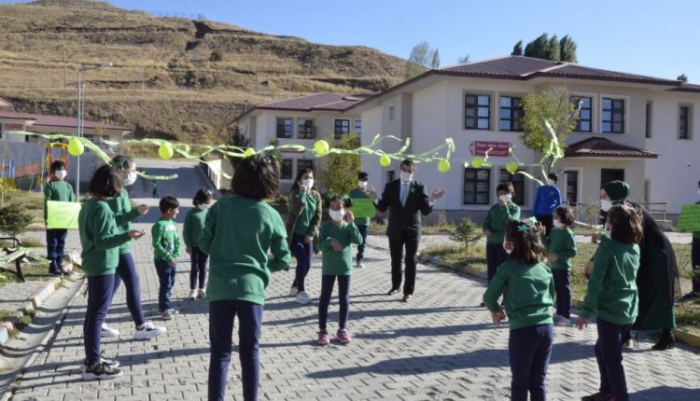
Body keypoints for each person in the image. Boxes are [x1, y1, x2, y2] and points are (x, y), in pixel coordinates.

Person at [199, 154, 291, 401]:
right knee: (250, 353)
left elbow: (204, 241)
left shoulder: (220, 207)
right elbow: (284, 258)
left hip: (220, 288)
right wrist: (263, 267)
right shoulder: (270, 214)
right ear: (270, 181)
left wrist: (223, 255)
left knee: (220, 353)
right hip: (252, 291)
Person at [589, 180, 678, 350]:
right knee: (631, 292)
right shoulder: (617, 211)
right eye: (601, 196)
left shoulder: (627, 211)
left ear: (615, 196)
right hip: (640, 253)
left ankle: (667, 336)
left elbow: (627, 236)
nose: (602, 200)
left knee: (659, 296)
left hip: (656, 256)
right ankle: (625, 334)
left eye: (604, 196)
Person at [78, 164, 146, 380]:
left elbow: (108, 225)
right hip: (102, 265)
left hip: (95, 264)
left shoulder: (91, 205)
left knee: (93, 315)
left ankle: (93, 358)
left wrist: (132, 217)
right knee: (97, 315)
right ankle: (93, 365)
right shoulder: (102, 208)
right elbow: (103, 241)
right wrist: (128, 236)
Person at [576, 204, 643, 401]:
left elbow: (595, 285)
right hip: (629, 310)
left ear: (614, 224)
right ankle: (607, 392)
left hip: (610, 312)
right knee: (601, 349)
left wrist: (585, 313)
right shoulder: (634, 248)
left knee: (612, 360)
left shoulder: (606, 251)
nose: (604, 224)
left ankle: (620, 397)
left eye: (607, 221)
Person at [483, 219, 554, 401]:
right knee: (538, 381)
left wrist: (496, 310)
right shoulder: (544, 269)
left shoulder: (508, 268)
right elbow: (553, 297)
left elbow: (489, 297)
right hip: (547, 329)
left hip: (523, 331)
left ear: (510, 243)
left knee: (520, 382)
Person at [103, 155, 166, 340]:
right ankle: (140, 325)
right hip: (118, 244)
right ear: (121, 170)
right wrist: (134, 213)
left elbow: (120, 218)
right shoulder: (114, 192)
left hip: (122, 241)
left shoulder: (121, 190)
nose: (133, 174)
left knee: (113, 286)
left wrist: (133, 217)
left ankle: (100, 321)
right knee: (133, 282)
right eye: (131, 170)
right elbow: (113, 220)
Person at [367, 159, 445, 302]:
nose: (406, 173)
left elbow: (425, 211)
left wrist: (433, 199)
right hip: (395, 229)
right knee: (395, 260)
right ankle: (395, 286)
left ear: (414, 172)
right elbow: (383, 207)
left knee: (411, 260)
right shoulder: (391, 186)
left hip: (412, 229)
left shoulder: (420, 187)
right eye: (404, 169)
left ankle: (408, 291)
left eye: (409, 171)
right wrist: (375, 198)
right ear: (400, 170)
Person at [317, 195, 362, 346]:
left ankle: (342, 329)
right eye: (333, 207)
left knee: (344, 299)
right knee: (325, 299)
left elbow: (359, 240)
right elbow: (319, 246)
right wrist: (329, 240)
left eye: (339, 207)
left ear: (346, 210)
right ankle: (322, 330)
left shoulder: (348, 227)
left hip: (345, 269)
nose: (336, 210)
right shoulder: (325, 227)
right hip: (329, 269)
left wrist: (352, 224)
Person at [285, 168, 322, 305]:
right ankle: (301, 291)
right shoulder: (294, 193)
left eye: (311, 177)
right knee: (302, 259)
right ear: (299, 180)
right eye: (306, 177)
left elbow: (318, 216)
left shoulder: (316, 195)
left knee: (308, 264)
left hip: (308, 235)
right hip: (295, 234)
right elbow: (297, 210)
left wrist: (312, 233)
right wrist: (302, 193)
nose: (309, 180)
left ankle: (295, 284)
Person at [539, 205, 577, 326]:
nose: (554, 219)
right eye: (553, 216)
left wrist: (558, 256)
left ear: (564, 217)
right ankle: (559, 312)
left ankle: (566, 316)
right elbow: (548, 245)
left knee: (565, 292)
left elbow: (573, 251)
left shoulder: (568, 234)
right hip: (554, 267)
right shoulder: (554, 231)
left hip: (563, 268)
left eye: (556, 216)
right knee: (558, 291)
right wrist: (542, 234)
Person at [482, 182, 521, 285]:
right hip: (491, 242)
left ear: (511, 194)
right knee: (491, 271)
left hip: (505, 244)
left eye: (504, 193)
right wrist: (485, 229)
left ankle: (506, 298)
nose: (502, 196)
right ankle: (490, 298)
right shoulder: (494, 208)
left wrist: (505, 208)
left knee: (503, 271)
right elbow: (486, 221)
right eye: (500, 193)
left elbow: (511, 222)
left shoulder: (515, 208)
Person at [151, 196, 181, 320]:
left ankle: (167, 306)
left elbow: (177, 241)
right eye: (176, 209)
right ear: (169, 210)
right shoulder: (159, 225)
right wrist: (168, 257)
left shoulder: (173, 224)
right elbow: (156, 244)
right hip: (162, 261)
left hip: (172, 260)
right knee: (165, 284)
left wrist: (175, 255)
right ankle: (163, 309)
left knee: (171, 282)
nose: (178, 212)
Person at [44, 160, 75, 275]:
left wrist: (72, 218)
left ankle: (59, 263)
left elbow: (71, 203)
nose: (62, 172)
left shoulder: (68, 186)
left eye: (63, 169)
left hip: (65, 220)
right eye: (59, 170)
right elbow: (47, 202)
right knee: (52, 242)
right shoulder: (50, 185)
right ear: (53, 172)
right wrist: (47, 218)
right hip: (53, 219)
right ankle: (52, 265)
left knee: (61, 242)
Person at [184, 189, 213, 301]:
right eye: (206, 203)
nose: (207, 205)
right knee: (194, 268)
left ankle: (201, 289)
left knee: (203, 268)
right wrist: (188, 244)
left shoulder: (207, 213)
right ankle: (192, 290)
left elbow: (211, 228)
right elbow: (186, 231)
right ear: (198, 201)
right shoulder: (191, 214)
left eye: (208, 203)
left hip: (205, 246)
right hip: (194, 246)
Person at [348, 171, 372, 268]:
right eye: (361, 180)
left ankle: (359, 260)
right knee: (349, 240)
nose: (363, 181)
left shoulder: (369, 193)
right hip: (353, 221)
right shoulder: (352, 192)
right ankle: (347, 259)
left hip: (364, 221)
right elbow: (347, 204)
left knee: (362, 242)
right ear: (358, 180)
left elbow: (373, 206)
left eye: (365, 180)